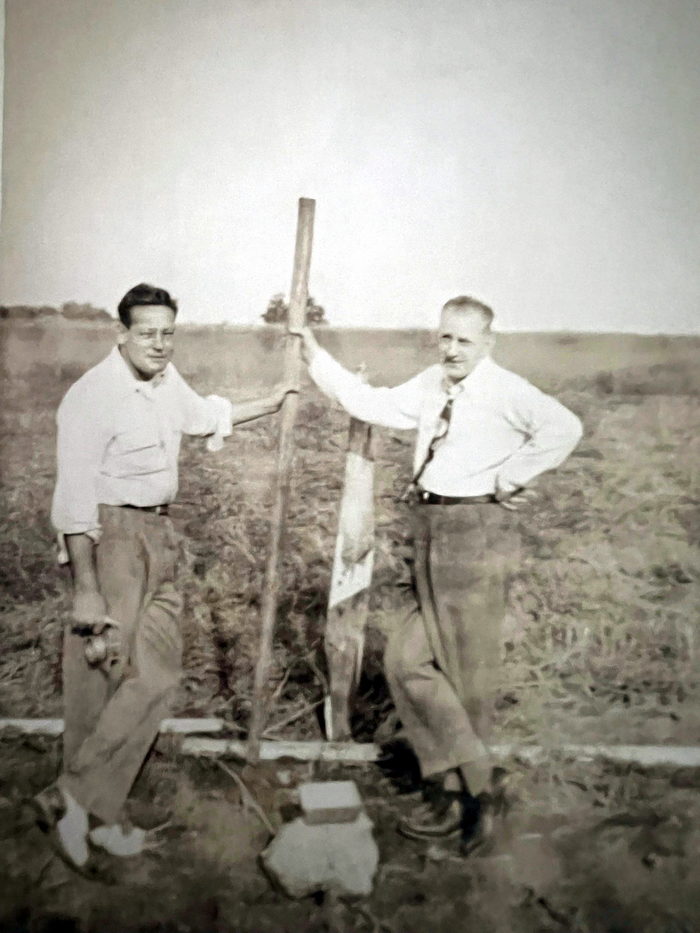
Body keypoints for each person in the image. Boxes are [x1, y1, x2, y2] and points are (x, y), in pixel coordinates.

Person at [293, 295, 582, 855]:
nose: (451, 349)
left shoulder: (505, 390)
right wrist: (314, 356)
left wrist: (512, 477)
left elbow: (564, 428)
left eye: (464, 341)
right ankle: (478, 782)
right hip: (429, 528)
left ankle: (463, 803)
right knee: (406, 661)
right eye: (445, 337)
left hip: (475, 532)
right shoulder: (432, 383)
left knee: (466, 673)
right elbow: (371, 403)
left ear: (488, 343)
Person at [34, 283, 296, 871]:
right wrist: (86, 588)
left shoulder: (164, 382)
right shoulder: (92, 397)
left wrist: (271, 402)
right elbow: (74, 499)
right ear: (121, 334)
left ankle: (73, 798)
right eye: (148, 332)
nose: (160, 343)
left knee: (157, 676)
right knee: (99, 677)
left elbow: (205, 418)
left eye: (168, 332)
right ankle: (90, 820)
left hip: (159, 536)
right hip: (107, 539)